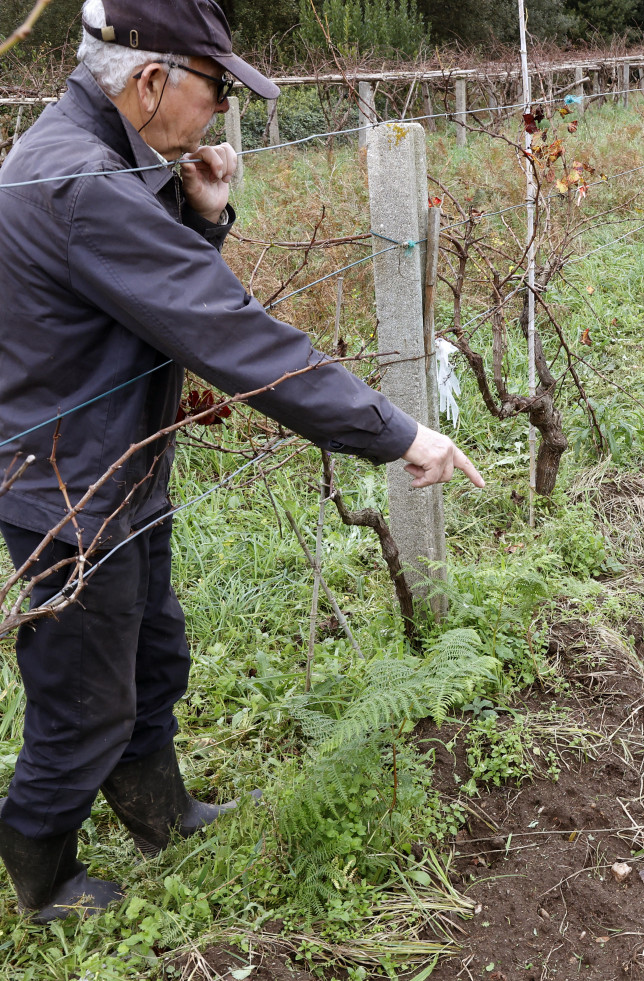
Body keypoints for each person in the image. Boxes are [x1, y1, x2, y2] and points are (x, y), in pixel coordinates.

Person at [0, 0, 483, 923]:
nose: (219, 112)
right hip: (66, 488)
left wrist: (201, 214)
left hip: (111, 468)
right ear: (151, 81)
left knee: (152, 652)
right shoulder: (81, 182)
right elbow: (227, 334)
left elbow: (138, 295)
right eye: (215, 88)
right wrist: (398, 432)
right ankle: (40, 868)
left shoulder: (97, 155)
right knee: (82, 694)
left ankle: (160, 811)